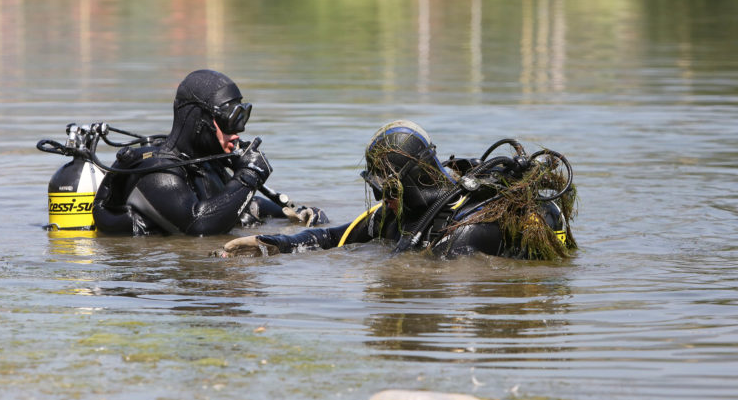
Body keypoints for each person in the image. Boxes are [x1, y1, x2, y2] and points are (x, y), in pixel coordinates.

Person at [214, 120, 576, 260]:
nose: (381, 197)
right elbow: (332, 237)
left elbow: (431, 279)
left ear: (414, 180)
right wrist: (271, 243)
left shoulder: (464, 230)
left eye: (387, 187)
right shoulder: (396, 213)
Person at [92, 69, 327, 236]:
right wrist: (248, 176)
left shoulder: (205, 162)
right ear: (199, 121)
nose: (238, 132)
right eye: (229, 121)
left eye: (242, 118)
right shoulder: (158, 173)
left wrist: (294, 215)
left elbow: (240, 205)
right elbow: (199, 226)